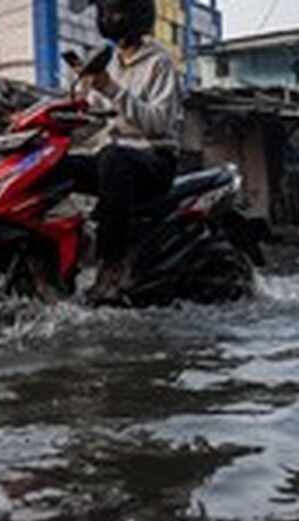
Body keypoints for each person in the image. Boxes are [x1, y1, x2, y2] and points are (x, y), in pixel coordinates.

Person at [56, 0, 183, 304]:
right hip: (113, 162)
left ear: (138, 14)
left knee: (114, 158)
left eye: (117, 11)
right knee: (55, 165)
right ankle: (57, 258)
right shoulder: (108, 64)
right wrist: (75, 106)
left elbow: (158, 122)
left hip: (154, 162)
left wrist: (111, 89)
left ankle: (112, 264)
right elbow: (94, 120)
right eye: (104, 12)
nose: (110, 18)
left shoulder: (159, 63)